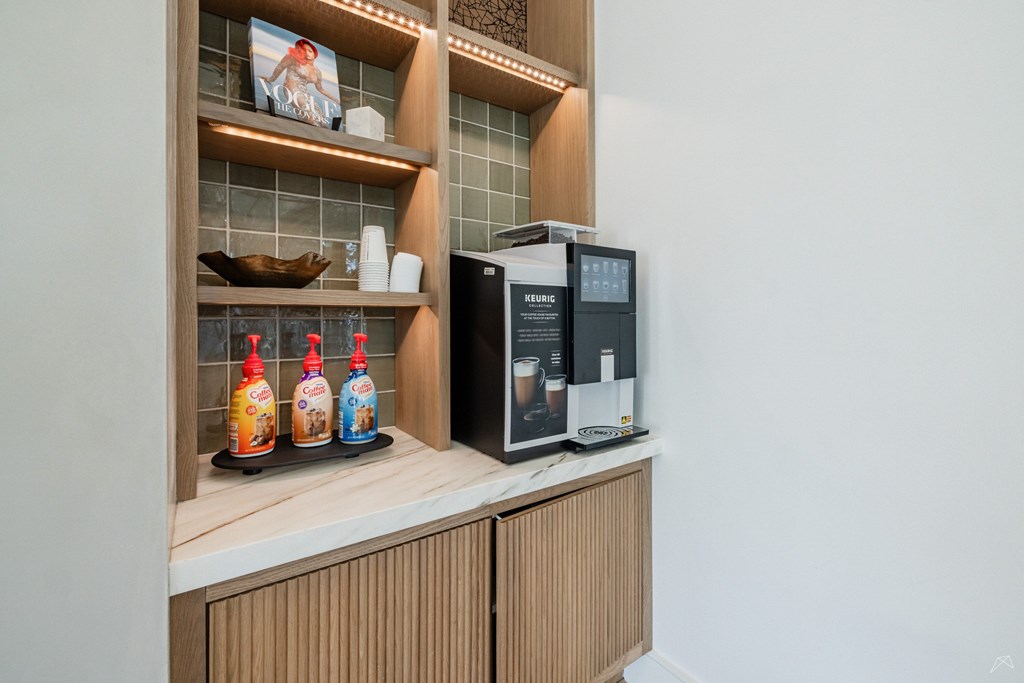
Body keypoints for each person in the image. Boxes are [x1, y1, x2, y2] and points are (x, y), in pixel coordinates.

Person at [260, 38, 340, 122]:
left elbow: (321, 89)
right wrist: (271, 79)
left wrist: (336, 100)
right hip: (291, 90)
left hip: (305, 93)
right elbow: (279, 68)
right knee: (309, 117)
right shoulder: (292, 58)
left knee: (321, 119)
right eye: (304, 50)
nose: (307, 53)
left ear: (314, 53)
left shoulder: (317, 72)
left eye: (309, 51)